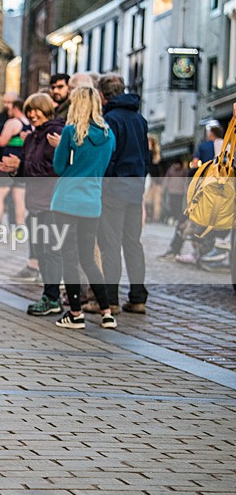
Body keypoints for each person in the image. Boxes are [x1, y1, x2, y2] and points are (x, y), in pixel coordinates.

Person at [50, 86, 116, 329]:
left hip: (66, 201)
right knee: (89, 259)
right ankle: (107, 313)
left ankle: (75, 314)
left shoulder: (70, 132)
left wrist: (62, 149)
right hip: (92, 203)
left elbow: (59, 167)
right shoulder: (109, 135)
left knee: (69, 258)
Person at [0, 93, 65, 316]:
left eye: (36, 110)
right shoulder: (32, 137)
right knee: (40, 252)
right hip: (34, 202)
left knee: (51, 250)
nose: (33, 114)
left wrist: (22, 166)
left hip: (51, 202)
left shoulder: (56, 133)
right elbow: (27, 172)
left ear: (47, 110)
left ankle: (53, 297)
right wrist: (15, 169)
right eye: (29, 111)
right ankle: (48, 295)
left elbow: (54, 169)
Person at [94, 73, 150, 315]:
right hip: (135, 187)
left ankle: (111, 300)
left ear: (102, 95)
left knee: (110, 244)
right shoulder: (139, 119)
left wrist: (104, 184)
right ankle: (138, 297)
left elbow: (109, 156)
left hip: (114, 189)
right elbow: (146, 156)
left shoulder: (109, 119)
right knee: (133, 243)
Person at [0, 99, 30, 238]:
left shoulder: (13, 122)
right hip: (21, 165)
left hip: (8, 164)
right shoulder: (29, 124)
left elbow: (2, 141)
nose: (8, 110)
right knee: (19, 198)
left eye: (10, 107)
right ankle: (19, 229)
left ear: (15, 108)